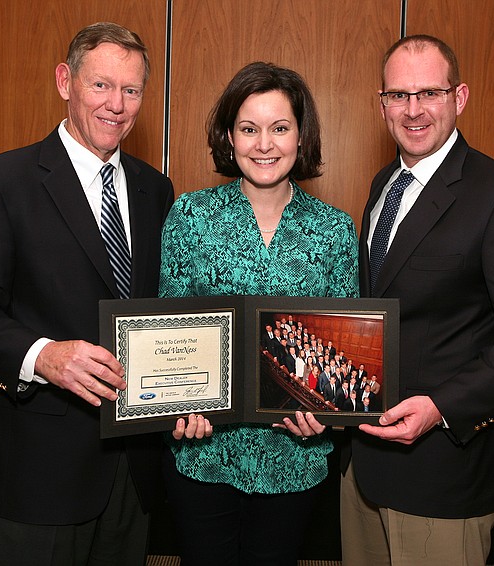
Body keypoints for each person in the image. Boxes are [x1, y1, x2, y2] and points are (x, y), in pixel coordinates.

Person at [0, 22, 174, 566]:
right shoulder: (1, 182)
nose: (117, 104)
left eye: (131, 90)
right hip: (37, 465)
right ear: (65, 81)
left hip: (132, 463)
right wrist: (42, 355)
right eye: (101, 86)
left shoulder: (153, 188)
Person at [340, 35, 494, 565]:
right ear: (382, 104)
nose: (413, 110)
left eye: (429, 93)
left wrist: (441, 409)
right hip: (364, 465)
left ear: (459, 97)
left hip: (444, 471)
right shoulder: (383, 185)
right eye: (399, 95)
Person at [159, 61, 359, 565]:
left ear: (300, 135)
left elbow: (345, 347)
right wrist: (177, 405)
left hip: (294, 454)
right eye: (249, 129)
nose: (264, 144)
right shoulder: (190, 215)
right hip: (204, 450)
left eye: (279, 128)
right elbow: (169, 332)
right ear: (229, 136)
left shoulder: (334, 230)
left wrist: (330, 416)